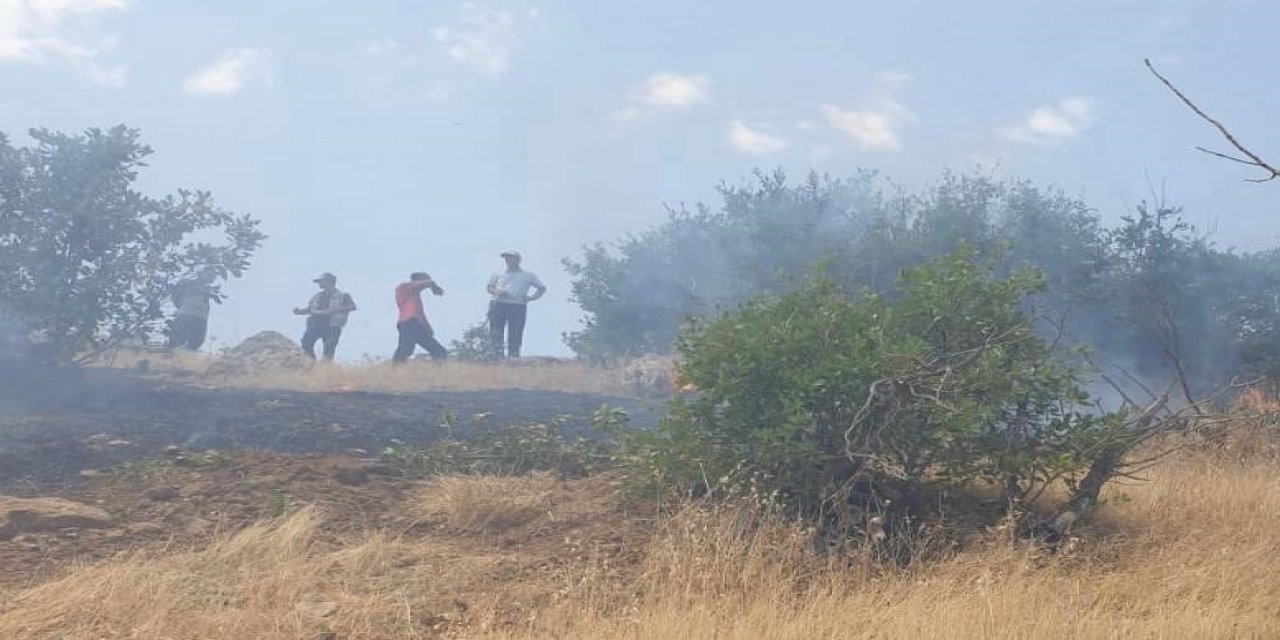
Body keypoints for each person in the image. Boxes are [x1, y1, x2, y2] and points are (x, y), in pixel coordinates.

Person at [486, 250, 546, 358]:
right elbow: (489, 287)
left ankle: (513, 357)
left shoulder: (528, 275)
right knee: (496, 332)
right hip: (498, 304)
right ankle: (496, 356)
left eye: (510, 258)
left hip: (517, 305)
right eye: (506, 258)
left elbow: (541, 288)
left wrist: (531, 298)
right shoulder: (498, 273)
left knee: (516, 332)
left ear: (518, 260)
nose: (508, 260)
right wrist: (497, 292)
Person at [293, 272, 357, 361]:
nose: (319, 284)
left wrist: (334, 310)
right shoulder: (317, 296)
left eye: (321, 281)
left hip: (332, 326)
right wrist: (300, 311)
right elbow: (310, 309)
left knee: (328, 350)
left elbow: (352, 307)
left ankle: (324, 367)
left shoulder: (343, 296)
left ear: (329, 282)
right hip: (315, 324)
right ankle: (311, 364)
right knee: (306, 344)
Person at [393, 271, 448, 362]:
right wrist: (433, 285)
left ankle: (439, 371)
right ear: (418, 280)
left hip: (417, 325)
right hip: (409, 323)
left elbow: (420, 315)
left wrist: (428, 329)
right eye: (425, 279)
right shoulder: (403, 287)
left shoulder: (415, 297)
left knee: (440, 351)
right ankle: (395, 368)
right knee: (406, 349)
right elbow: (427, 283)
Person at [168, 267, 219, 351]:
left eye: (213, 276)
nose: (212, 277)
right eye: (209, 274)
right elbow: (179, 291)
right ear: (200, 273)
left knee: (195, 343)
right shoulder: (187, 283)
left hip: (200, 318)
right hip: (186, 315)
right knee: (176, 342)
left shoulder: (208, 290)